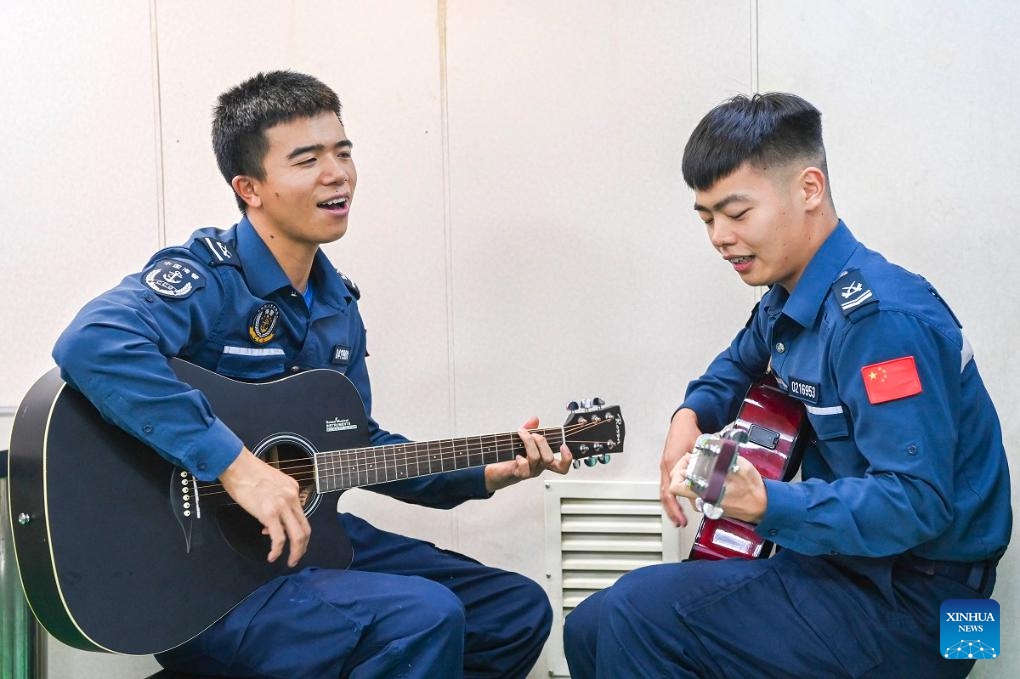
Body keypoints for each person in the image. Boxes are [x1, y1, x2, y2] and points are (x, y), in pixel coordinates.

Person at [52, 70, 573, 679]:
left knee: (513, 611)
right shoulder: (208, 279)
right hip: (206, 578)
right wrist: (236, 467)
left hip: (302, 545)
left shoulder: (337, 304)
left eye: (343, 152)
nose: (337, 174)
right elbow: (93, 342)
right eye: (308, 159)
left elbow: (355, 446)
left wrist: (484, 470)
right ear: (249, 188)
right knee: (423, 615)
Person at [563, 93, 1011, 678]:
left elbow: (917, 502)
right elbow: (737, 363)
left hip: (918, 602)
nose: (719, 236)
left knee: (635, 613)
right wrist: (689, 416)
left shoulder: (880, 322)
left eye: (736, 213)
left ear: (809, 189)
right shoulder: (788, 300)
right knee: (589, 625)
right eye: (706, 219)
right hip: (839, 567)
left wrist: (766, 503)